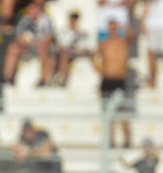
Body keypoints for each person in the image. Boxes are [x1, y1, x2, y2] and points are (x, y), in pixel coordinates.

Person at [93, 18, 134, 148]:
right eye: (111, 27)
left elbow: (132, 35)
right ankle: (110, 140)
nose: (113, 30)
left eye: (114, 27)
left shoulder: (123, 42)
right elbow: (94, 57)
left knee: (122, 112)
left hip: (119, 79)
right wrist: (100, 69)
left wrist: (123, 25)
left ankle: (127, 139)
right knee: (108, 112)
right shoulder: (104, 43)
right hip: (107, 79)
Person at [2, 0, 55, 87]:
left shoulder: (46, 21)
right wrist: (23, 41)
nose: (32, 11)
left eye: (35, 8)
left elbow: (49, 38)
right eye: (30, 8)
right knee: (13, 48)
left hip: (42, 49)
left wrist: (35, 42)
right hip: (28, 48)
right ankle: (7, 79)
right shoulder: (25, 20)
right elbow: (18, 36)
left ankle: (43, 80)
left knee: (43, 47)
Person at [54, 11, 91, 87]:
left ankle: (61, 78)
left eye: (75, 21)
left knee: (65, 53)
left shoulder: (82, 33)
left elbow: (83, 48)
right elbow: (61, 44)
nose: (73, 22)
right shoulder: (63, 31)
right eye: (72, 20)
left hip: (77, 53)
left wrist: (72, 48)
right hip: (66, 53)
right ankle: (62, 78)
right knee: (64, 55)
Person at [142, 0, 163, 88]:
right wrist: (143, 23)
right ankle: (152, 80)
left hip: (155, 25)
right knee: (151, 53)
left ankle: (152, 80)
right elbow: (147, 5)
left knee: (152, 53)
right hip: (152, 24)